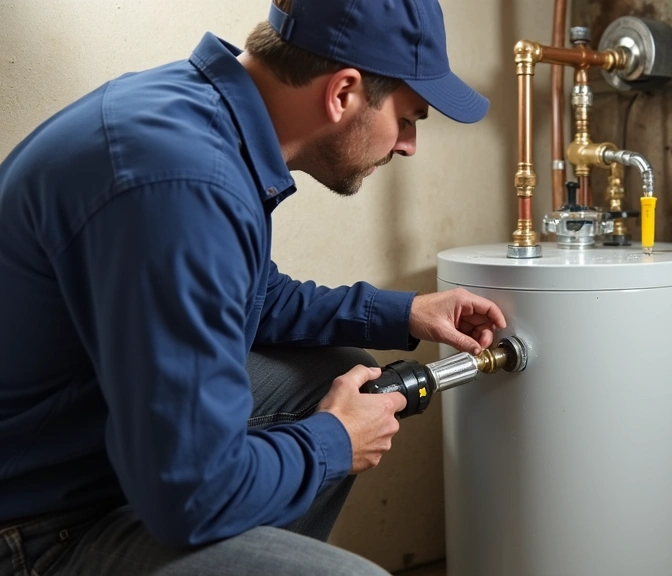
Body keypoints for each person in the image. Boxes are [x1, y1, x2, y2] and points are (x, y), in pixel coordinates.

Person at [0, 0, 504, 574]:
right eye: (408, 117)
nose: (408, 145)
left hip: (69, 441)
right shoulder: (184, 185)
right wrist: (335, 442)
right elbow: (188, 495)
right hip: (28, 526)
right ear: (343, 93)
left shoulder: (193, 115)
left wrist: (407, 311)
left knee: (330, 376)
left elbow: (252, 297)